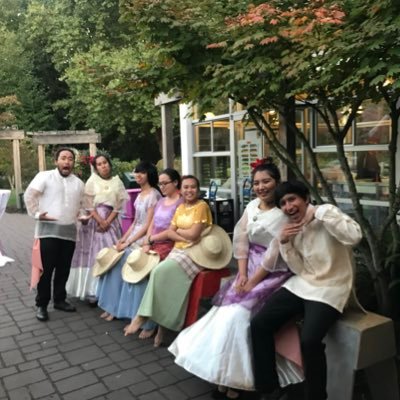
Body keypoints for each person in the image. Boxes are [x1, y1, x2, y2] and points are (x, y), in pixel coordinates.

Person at [168, 159, 303, 399]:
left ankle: (240, 381)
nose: (261, 187)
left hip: (273, 271)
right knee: (223, 314)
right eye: (257, 183)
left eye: (266, 181)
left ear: (277, 182)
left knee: (239, 316)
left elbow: (274, 254)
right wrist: (241, 273)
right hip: (248, 265)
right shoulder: (251, 206)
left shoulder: (283, 213)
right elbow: (241, 239)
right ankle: (223, 374)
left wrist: (252, 281)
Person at [249, 180, 362, 400]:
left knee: (310, 341)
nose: (288, 206)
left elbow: (355, 236)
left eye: (292, 199)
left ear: (306, 198)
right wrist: (285, 243)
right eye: (283, 203)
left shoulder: (326, 211)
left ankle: (317, 397)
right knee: (259, 323)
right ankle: (269, 387)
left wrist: (318, 214)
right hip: (303, 284)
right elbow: (299, 269)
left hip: (332, 287)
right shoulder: (291, 226)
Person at [124, 175, 213, 347]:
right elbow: (169, 232)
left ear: (198, 189)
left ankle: (143, 317)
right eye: (186, 187)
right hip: (178, 249)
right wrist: (158, 237)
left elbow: (194, 236)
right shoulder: (181, 207)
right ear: (181, 188)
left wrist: (178, 231)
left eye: (193, 187)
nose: (189, 190)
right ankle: (161, 326)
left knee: (159, 271)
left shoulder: (201, 206)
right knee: (161, 275)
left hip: (195, 252)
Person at [96, 161, 161, 323]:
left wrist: (129, 242)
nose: (137, 175)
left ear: (149, 175)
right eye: (136, 172)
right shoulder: (139, 194)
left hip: (145, 237)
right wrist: (122, 238)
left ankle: (119, 308)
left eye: (142, 172)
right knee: (111, 261)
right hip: (134, 235)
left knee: (121, 261)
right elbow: (135, 221)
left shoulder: (154, 195)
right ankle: (111, 306)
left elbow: (147, 224)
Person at [24, 148, 85, 322]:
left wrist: (82, 217)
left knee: (63, 269)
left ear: (73, 163)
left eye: (70, 159)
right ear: (56, 161)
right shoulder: (45, 176)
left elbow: (81, 205)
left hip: (69, 232)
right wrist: (36, 214)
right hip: (47, 232)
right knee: (46, 270)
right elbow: (29, 195)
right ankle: (42, 305)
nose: (67, 162)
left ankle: (59, 299)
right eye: (63, 158)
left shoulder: (79, 183)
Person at [66, 154, 129, 305]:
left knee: (111, 254)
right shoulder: (92, 181)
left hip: (111, 222)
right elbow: (88, 204)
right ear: (96, 168)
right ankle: (93, 291)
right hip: (94, 223)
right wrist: (100, 221)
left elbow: (119, 206)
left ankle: (111, 291)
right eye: (99, 164)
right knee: (94, 256)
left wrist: (107, 222)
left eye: (105, 163)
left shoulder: (117, 182)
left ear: (109, 164)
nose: (103, 166)